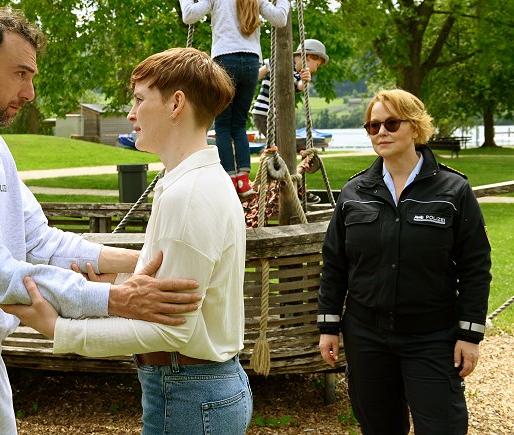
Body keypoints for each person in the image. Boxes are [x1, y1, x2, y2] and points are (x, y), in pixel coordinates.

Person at [0, 9, 200, 435]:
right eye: (20, 74)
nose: (29, 92)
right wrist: (115, 301)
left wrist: (141, 263)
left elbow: (40, 242)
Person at [0, 47, 253, 435]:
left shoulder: (189, 194)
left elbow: (172, 330)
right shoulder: (190, 182)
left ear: (176, 104)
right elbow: (170, 297)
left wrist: (60, 330)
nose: (131, 114)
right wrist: (116, 287)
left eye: (139, 100)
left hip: (190, 394)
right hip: (194, 390)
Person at [317, 89, 491, 434]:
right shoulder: (354, 193)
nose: (381, 132)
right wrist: (328, 326)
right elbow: (335, 262)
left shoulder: (453, 190)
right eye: (372, 125)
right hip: (366, 337)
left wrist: (470, 335)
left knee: (443, 427)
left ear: (415, 127)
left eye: (391, 123)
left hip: (431, 336)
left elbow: (475, 267)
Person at [179, 0, 290, 199]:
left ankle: (229, 180)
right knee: (238, 124)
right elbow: (280, 19)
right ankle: (243, 181)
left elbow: (189, 15)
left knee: (222, 125)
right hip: (250, 62)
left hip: (224, 60)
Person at [252, 38, 329, 205]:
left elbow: (299, 85)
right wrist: (260, 70)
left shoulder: (296, 74)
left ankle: (292, 189)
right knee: (285, 150)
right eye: (318, 65)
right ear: (310, 57)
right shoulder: (279, 60)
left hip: (277, 118)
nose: (316, 69)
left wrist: (305, 80)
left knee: (288, 150)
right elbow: (257, 75)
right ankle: (293, 190)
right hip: (264, 114)